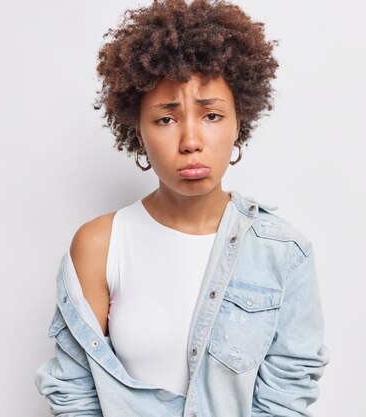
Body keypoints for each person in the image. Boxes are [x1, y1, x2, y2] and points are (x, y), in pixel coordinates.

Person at [35, 0, 329, 416]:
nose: (191, 140)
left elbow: (287, 394)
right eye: (166, 119)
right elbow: (76, 391)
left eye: (211, 115)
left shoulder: (284, 253)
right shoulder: (101, 244)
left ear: (238, 123)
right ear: (137, 129)